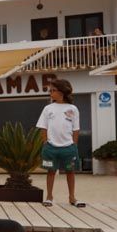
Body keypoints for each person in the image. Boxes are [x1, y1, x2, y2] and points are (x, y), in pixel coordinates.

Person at [36, 79, 85, 208]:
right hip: (50, 147)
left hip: (69, 147)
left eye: (53, 90)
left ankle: (72, 197)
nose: (50, 93)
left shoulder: (73, 109)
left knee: (70, 171)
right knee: (51, 171)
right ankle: (49, 197)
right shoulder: (48, 108)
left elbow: (76, 128)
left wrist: (74, 144)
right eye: (49, 90)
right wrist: (45, 142)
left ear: (62, 91)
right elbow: (43, 127)